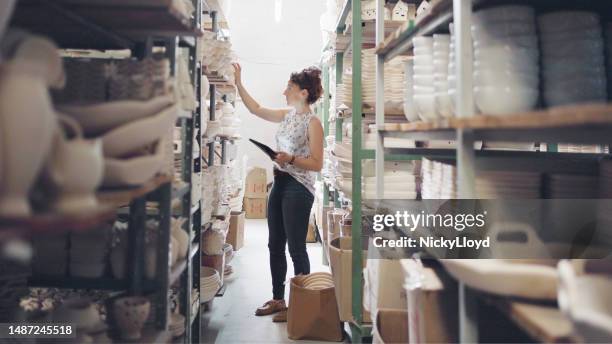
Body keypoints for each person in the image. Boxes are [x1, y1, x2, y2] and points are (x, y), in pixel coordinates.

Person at [232, 63, 324, 322]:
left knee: (296, 247)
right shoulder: (287, 115)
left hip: (299, 187)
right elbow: (256, 109)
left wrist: (291, 158)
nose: (285, 92)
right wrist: (239, 82)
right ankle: (278, 300)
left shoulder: (313, 123)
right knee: (274, 245)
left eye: (289, 88)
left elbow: (317, 163)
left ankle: (302, 304)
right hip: (280, 182)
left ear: (303, 93)